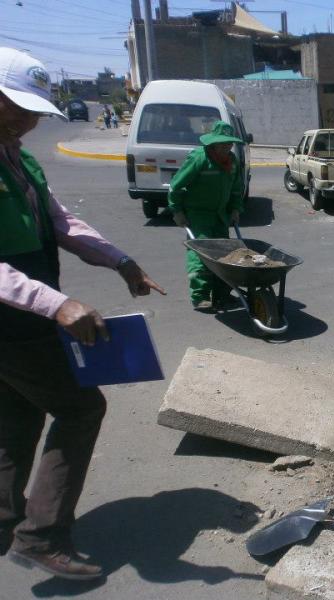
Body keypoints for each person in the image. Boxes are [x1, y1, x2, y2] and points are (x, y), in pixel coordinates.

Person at [0, 47, 165, 580]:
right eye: (16, 107)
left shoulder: (17, 156)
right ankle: (41, 534)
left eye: (32, 112)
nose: (27, 121)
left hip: (24, 319)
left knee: (17, 413)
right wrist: (58, 303)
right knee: (80, 409)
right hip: (11, 323)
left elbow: (59, 222)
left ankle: (4, 518)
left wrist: (121, 261)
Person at [168, 120, 245, 311]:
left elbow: (236, 189)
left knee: (225, 257)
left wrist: (235, 209)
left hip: (220, 216)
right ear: (213, 143)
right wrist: (177, 211)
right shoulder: (199, 158)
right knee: (201, 254)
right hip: (198, 215)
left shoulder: (232, 162)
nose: (228, 146)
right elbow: (175, 187)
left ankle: (222, 295)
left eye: (230, 143)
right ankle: (200, 296)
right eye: (223, 143)